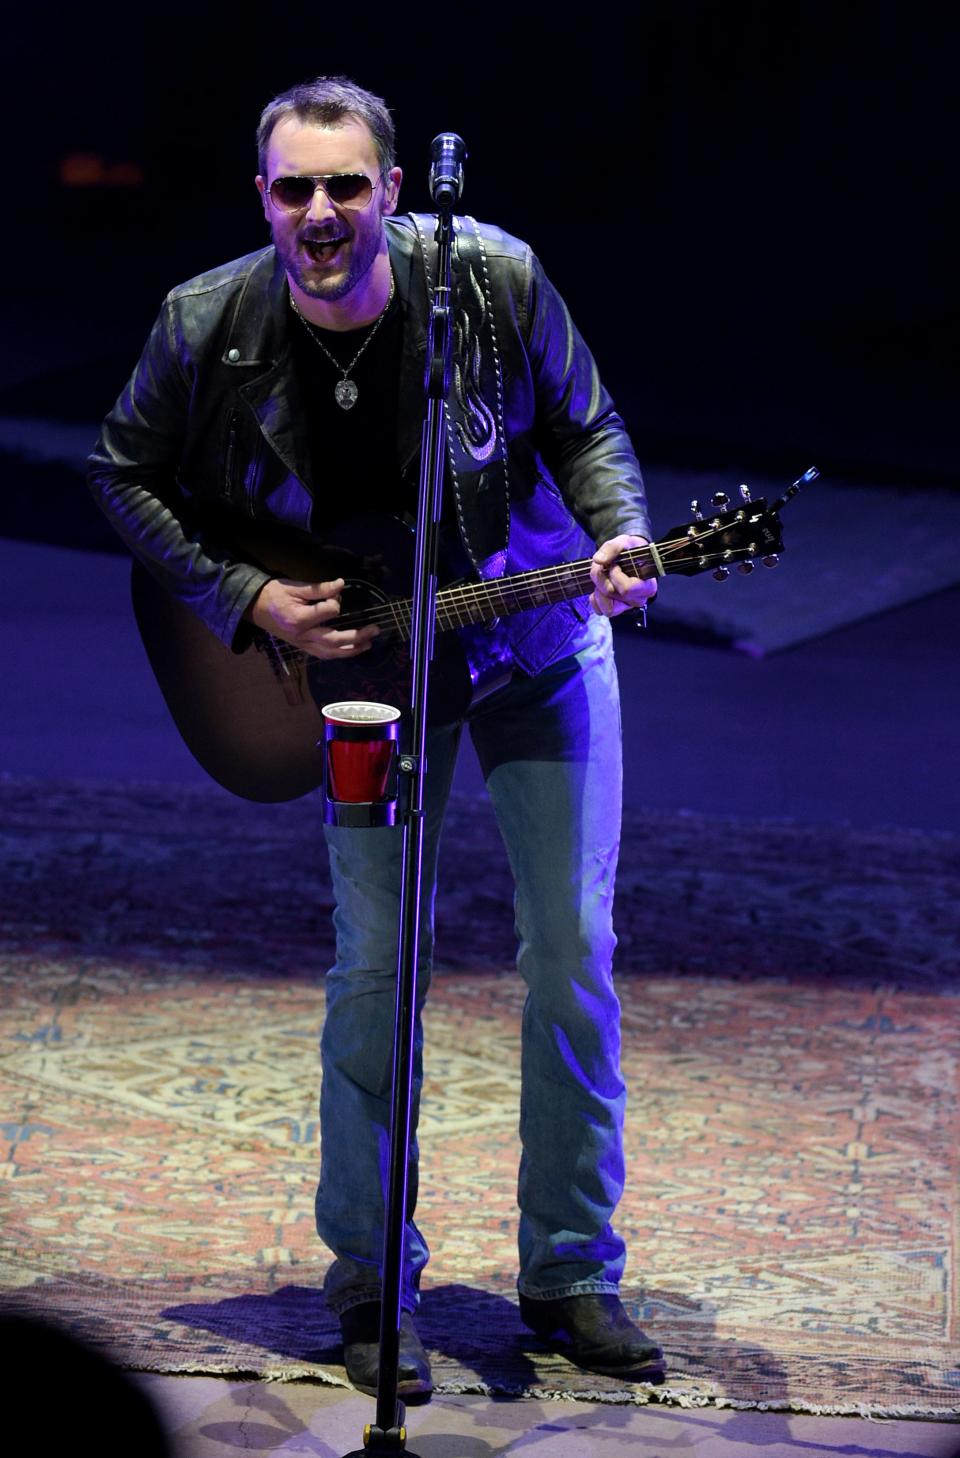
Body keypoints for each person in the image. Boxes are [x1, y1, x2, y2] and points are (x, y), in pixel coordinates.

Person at [88, 76, 661, 1399]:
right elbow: (122, 471)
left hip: (535, 652)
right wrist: (248, 594)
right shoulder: (207, 321)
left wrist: (622, 532)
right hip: (366, 692)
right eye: (295, 189)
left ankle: (573, 1270)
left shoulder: (496, 282)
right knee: (375, 964)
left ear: (394, 193)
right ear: (265, 201)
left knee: (571, 949)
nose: (321, 213)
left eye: (347, 185)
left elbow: (589, 430)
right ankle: (368, 1281)